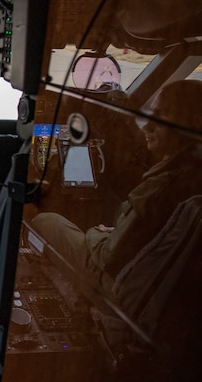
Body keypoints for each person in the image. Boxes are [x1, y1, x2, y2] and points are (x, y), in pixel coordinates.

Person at [31, 79, 202, 289]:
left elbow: (107, 259)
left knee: (45, 221)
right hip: (166, 282)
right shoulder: (192, 172)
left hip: (122, 288)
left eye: (161, 118)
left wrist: (97, 232)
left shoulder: (161, 186)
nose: (147, 125)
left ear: (194, 123)